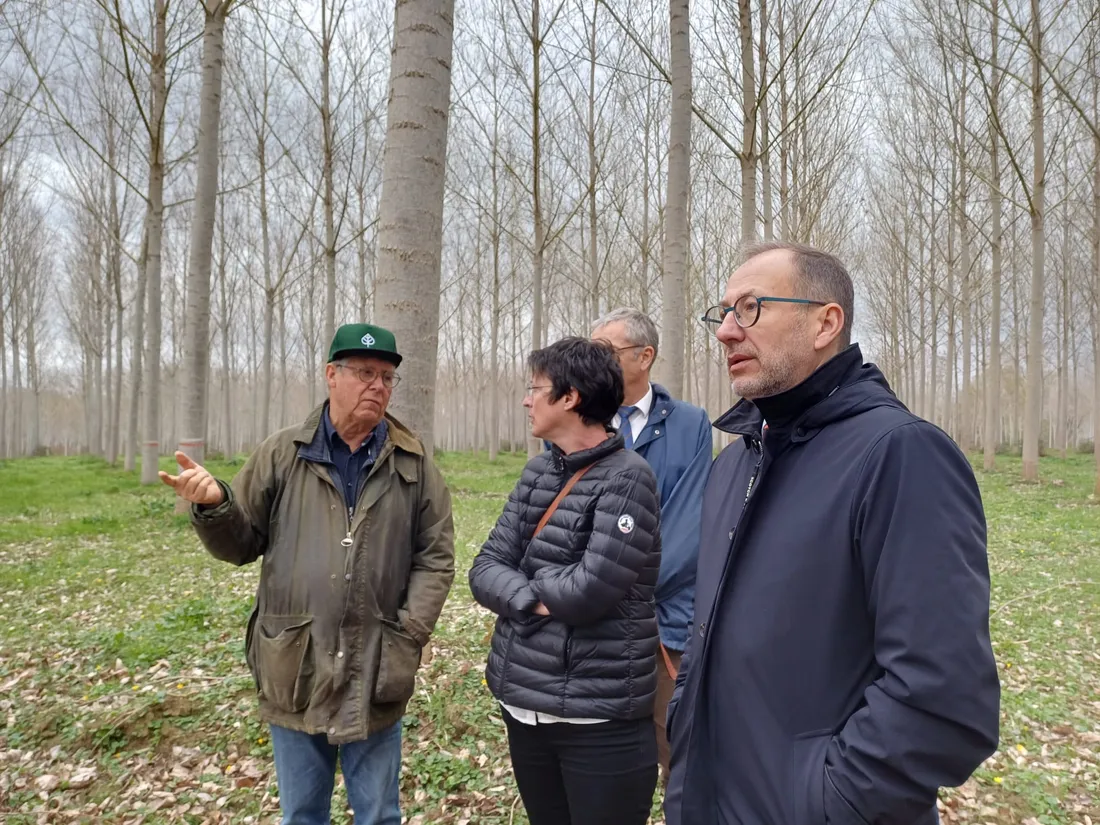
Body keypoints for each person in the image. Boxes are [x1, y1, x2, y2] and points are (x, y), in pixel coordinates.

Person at [664, 242, 1000, 825]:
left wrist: (824, 804)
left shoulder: (900, 455)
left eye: (750, 308)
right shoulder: (735, 462)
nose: (725, 331)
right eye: (722, 312)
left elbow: (944, 697)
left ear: (825, 323)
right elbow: (708, 633)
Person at [160, 323, 456, 825]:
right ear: (331, 375)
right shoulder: (282, 453)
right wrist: (214, 505)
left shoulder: (413, 463)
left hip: (376, 666)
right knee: (301, 814)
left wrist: (409, 632)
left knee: (380, 815)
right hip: (295, 664)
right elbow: (242, 543)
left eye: (387, 377)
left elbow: (436, 556)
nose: (377, 386)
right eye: (365, 373)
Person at [469, 337, 662, 825]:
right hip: (525, 711)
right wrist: (534, 597)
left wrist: (521, 587)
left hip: (598, 721)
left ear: (570, 397)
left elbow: (590, 592)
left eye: (535, 389)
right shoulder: (538, 471)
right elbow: (485, 567)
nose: (526, 400)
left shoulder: (628, 478)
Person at [590, 308, 712, 782]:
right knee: (605, 759)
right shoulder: (580, 419)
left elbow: (689, 522)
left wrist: (624, 585)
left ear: (645, 357)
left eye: (606, 350)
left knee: (673, 748)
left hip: (666, 621)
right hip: (594, 622)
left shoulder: (690, 424)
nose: (595, 360)